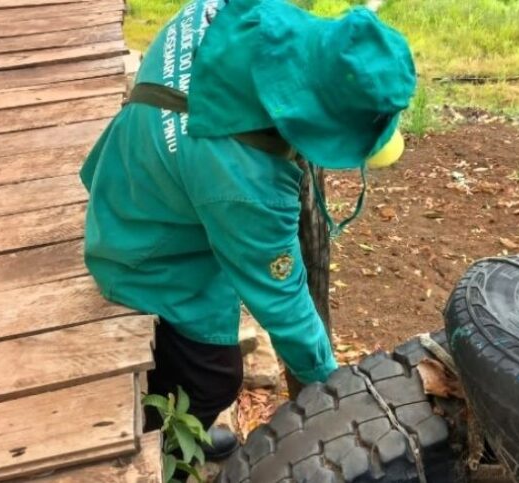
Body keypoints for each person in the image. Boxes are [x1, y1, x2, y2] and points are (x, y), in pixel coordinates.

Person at [79, 0, 416, 461]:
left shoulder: (237, 10)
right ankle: (168, 448)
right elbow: (284, 304)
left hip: (129, 178)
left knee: (196, 360)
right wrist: (333, 387)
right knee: (212, 376)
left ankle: (177, 424)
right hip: (144, 253)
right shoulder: (247, 185)